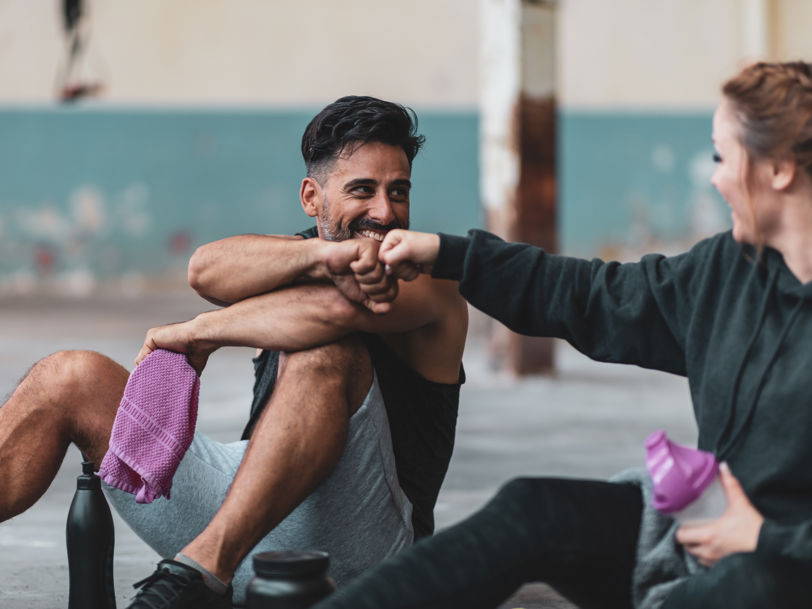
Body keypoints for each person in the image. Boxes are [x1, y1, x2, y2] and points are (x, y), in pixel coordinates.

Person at [309, 61, 812, 609]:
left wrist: (765, 540)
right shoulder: (730, 272)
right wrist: (449, 255)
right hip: (703, 538)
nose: (714, 177)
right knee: (534, 508)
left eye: (723, 155)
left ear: (780, 169)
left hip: (775, 568)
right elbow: (593, 295)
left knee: (752, 588)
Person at [0, 95, 468, 608]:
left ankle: (199, 573)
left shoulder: (428, 278)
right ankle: (203, 571)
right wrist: (324, 253)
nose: (384, 210)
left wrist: (200, 332)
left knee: (323, 351)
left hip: (367, 551)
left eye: (398, 191)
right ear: (312, 198)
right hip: (247, 511)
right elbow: (204, 269)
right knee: (68, 375)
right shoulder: (304, 257)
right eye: (362, 190)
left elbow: (332, 313)